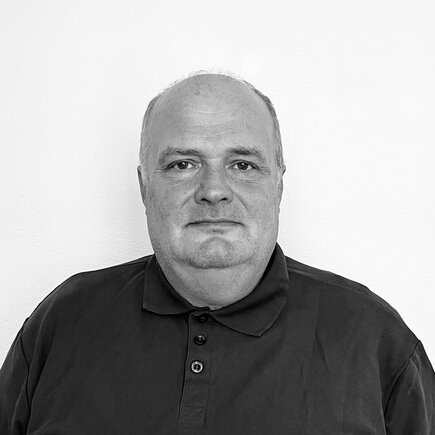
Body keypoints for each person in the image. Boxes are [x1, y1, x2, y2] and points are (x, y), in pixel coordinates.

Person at [0, 72, 433, 434]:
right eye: (182, 164)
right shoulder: (63, 321)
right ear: (145, 187)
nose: (213, 191)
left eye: (242, 164)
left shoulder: (374, 338)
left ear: (278, 184)